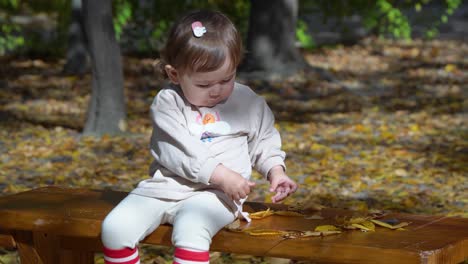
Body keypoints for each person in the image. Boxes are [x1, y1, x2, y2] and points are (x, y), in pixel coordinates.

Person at [101, 10, 298, 264]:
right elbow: (177, 150)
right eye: (204, 85)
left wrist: (276, 170)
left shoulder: (246, 101)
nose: (216, 90)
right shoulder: (168, 102)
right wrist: (221, 174)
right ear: (175, 75)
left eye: (227, 78)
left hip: (216, 195)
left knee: (192, 228)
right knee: (115, 228)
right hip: (165, 188)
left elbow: (264, 139)